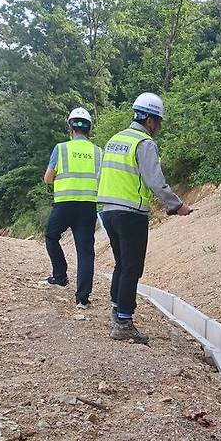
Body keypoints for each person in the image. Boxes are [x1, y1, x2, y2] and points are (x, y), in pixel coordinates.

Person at [98, 92, 191, 343]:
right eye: (158, 122)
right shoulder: (144, 142)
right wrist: (176, 205)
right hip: (131, 213)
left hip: (108, 211)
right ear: (149, 120)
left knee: (121, 263)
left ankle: (117, 312)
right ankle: (124, 322)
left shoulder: (115, 139)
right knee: (131, 267)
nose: (158, 127)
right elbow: (155, 182)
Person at [43, 107, 102, 308]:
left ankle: (60, 275)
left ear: (70, 127)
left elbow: (47, 178)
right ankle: (83, 298)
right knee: (86, 252)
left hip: (64, 205)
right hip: (88, 207)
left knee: (51, 236)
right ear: (89, 129)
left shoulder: (61, 149)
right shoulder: (97, 152)